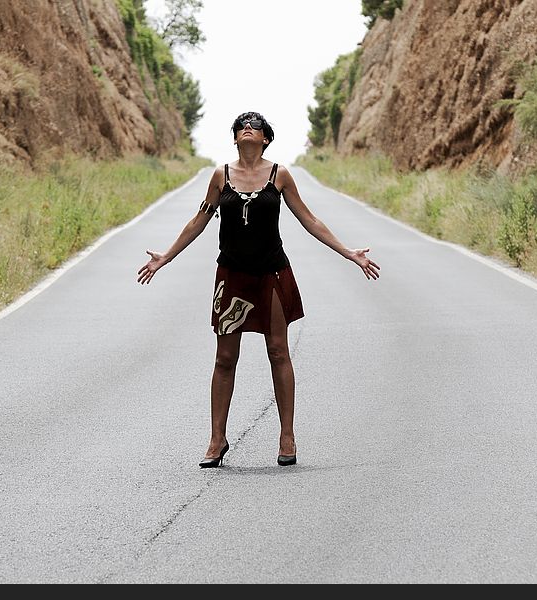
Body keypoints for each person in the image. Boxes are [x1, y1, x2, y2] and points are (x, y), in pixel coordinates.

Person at [137, 111, 380, 468]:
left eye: (255, 126)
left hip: (271, 273)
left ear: (266, 138)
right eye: (241, 126)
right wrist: (166, 257)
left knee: (279, 352)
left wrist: (349, 253)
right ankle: (217, 439)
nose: (247, 128)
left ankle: (287, 436)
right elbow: (199, 220)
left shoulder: (279, 175)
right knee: (224, 359)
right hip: (232, 276)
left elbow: (309, 218)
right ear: (235, 138)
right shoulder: (220, 176)